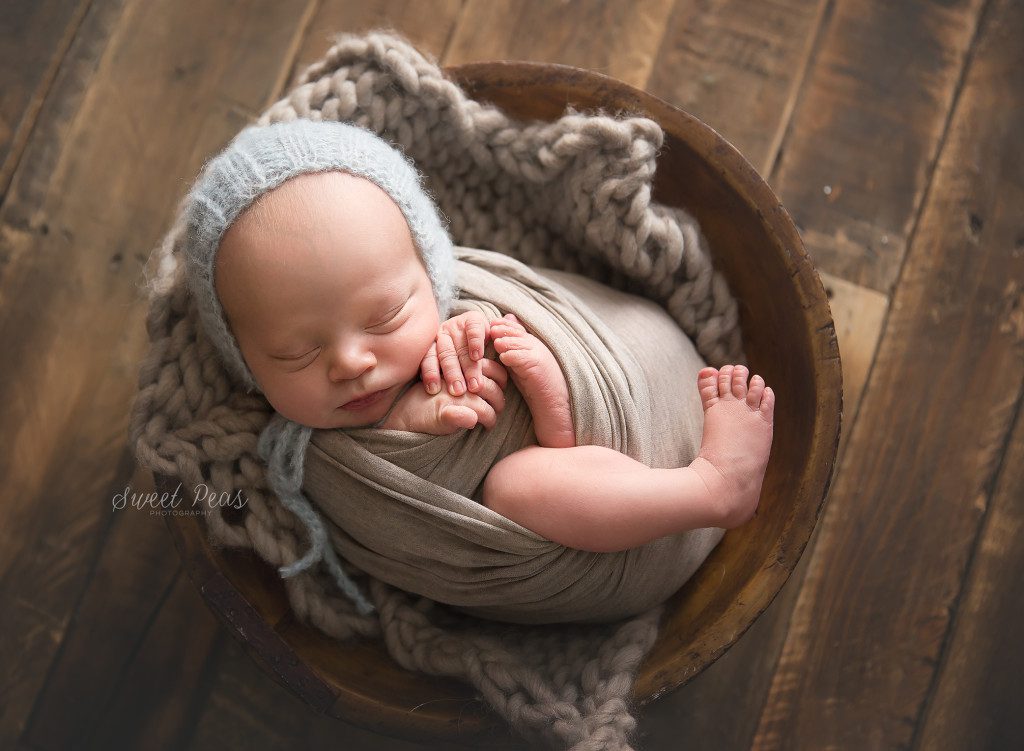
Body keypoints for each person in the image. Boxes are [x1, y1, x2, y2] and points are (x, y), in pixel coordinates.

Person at [213, 165, 776, 555]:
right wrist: (410, 425)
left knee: (528, 423)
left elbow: (565, 439)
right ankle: (711, 487)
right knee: (514, 487)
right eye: (296, 353)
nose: (352, 362)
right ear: (244, 360)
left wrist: (543, 372)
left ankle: (686, 472)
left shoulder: (467, 307)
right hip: (605, 553)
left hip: (649, 393)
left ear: (432, 274)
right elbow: (414, 526)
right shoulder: (305, 462)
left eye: (385, 317)